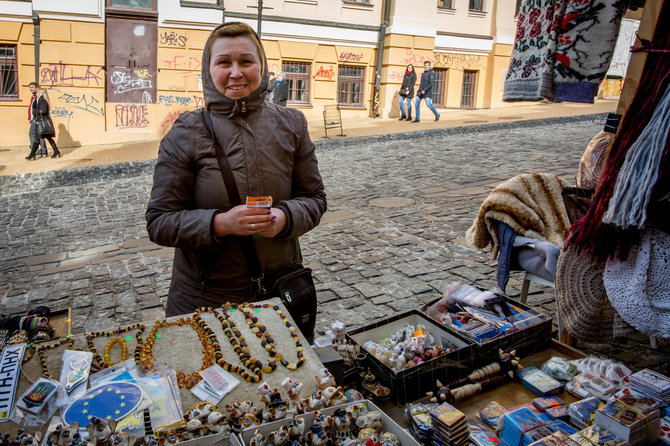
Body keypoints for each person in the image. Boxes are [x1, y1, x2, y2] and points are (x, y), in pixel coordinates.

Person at [146, 22, 327, 317]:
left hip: (279, 293)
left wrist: (286, 217)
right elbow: (160, 222)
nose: (235, 72)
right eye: (223, 62)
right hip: (205, 299)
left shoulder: (291, 124)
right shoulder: (186, 132)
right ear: (209, 70)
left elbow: (315, 199)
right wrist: (221, 224)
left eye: (246, 61)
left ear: (261, 66)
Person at [26, 82, 61, 160]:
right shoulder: (38, 100)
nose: (36, 93)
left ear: (41, 92)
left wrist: (35, 112)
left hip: (42, 122)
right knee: (46, 138)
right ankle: (56, 152)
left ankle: (32, 155)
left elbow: (43, 111)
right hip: (41, 121)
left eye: (38, 92)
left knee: (38, 138)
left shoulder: (42, 100)